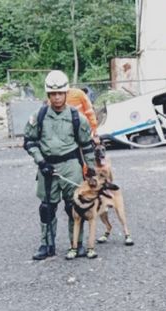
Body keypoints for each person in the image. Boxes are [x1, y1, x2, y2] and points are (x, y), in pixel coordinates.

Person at [23, 70, 96, 260]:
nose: (56, 98)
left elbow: (87, 145)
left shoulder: (76, 117)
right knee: (47, 208)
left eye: (60, 93)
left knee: (74, 206)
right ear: (48, 95)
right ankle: (47, 245)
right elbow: (29, 142)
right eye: (53, 94)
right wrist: (41, 161)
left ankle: (77, 244)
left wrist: (91, 171)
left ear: (66, 94)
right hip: (47, 167)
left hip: (71, 166)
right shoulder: (39, 116)